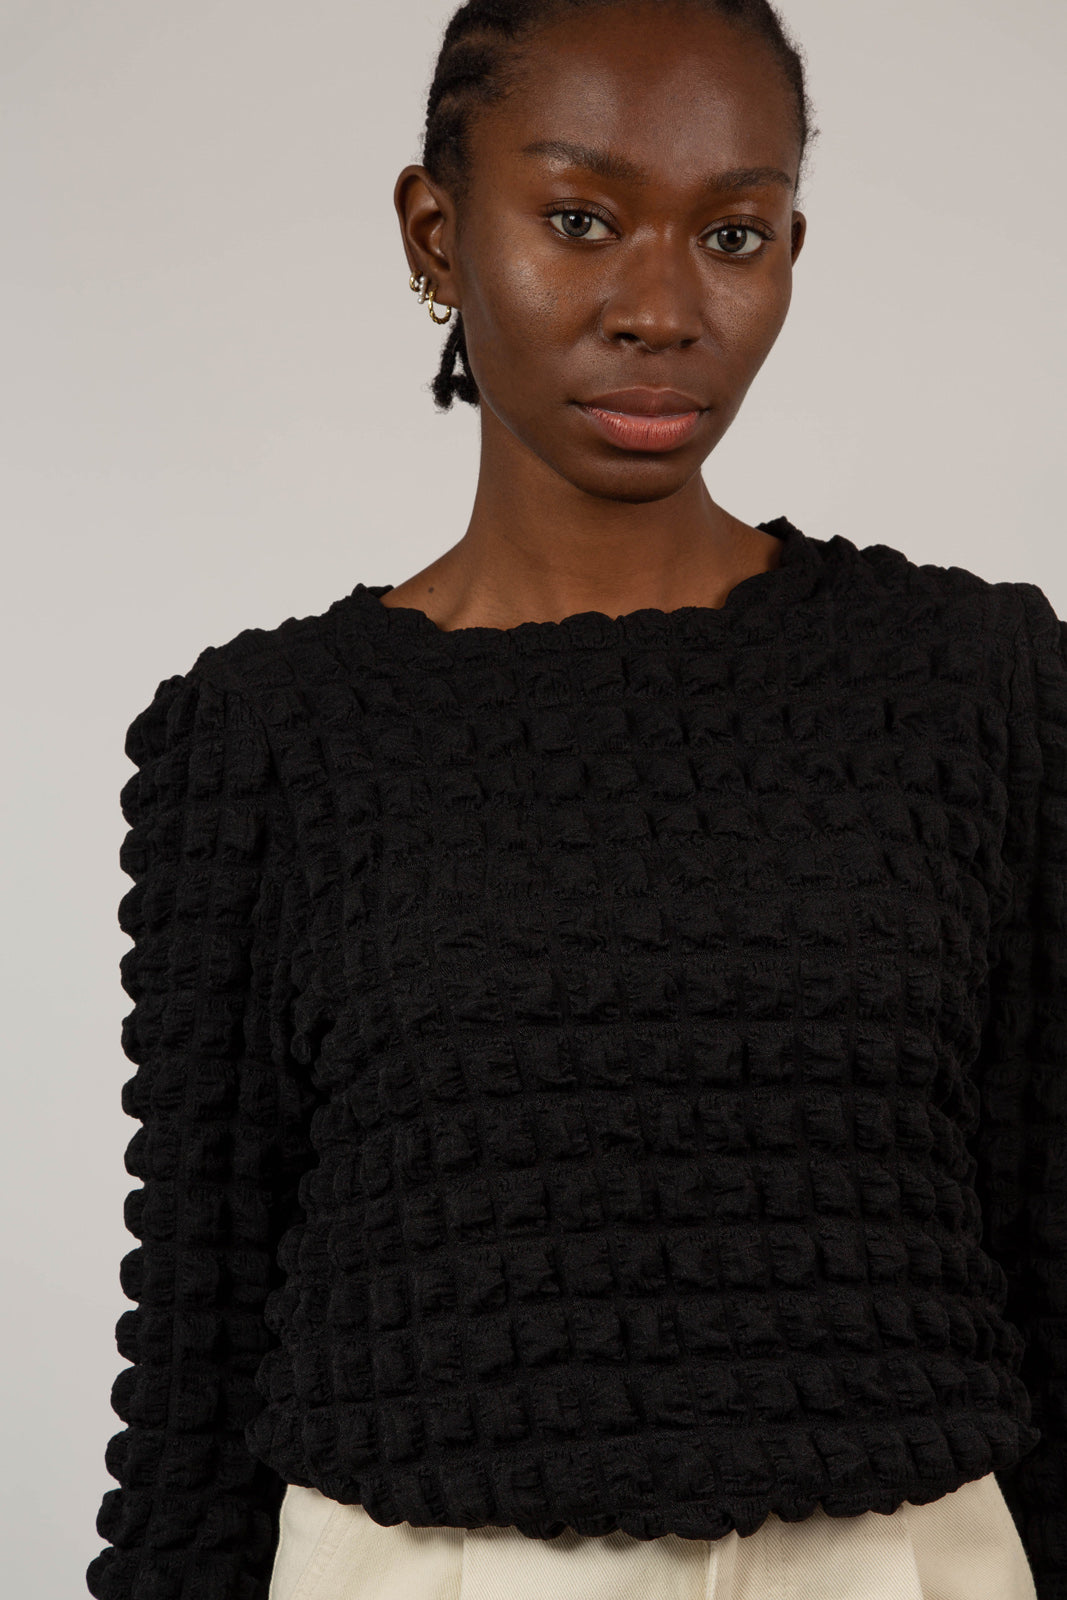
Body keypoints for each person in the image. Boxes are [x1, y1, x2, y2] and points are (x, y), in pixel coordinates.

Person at [86, 2, 1066, 1598]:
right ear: (437, 231)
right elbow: (196, 1363)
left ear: (792, 251)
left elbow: (1055, 1246)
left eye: (733, 234)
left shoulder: (978, 686)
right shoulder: (265, 739)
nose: (663, 309)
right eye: (581, 221)